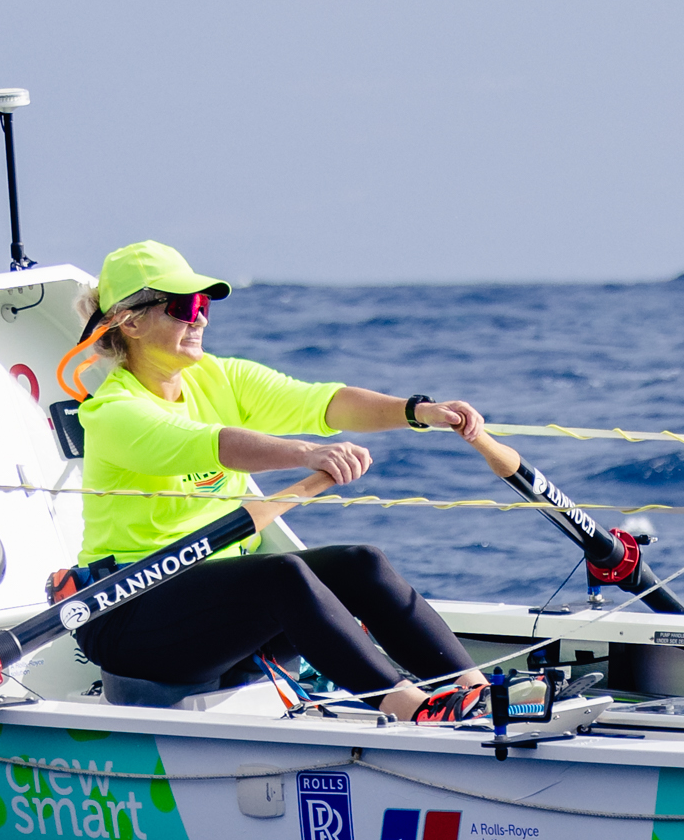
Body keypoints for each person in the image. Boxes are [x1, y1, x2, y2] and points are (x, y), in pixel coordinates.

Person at [62, 241, 490, 720]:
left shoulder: (220, 377)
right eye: (182, 306)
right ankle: (414, 710)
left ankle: (475, 692)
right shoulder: (113, 411)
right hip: (125, 613)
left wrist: (415, 411)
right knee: (281, 575)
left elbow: (322, 403)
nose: (199, 318)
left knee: (360, 563)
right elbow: (214, 442)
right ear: (131, 321)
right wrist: (308, 453)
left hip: (210, 604)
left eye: (202, 306)